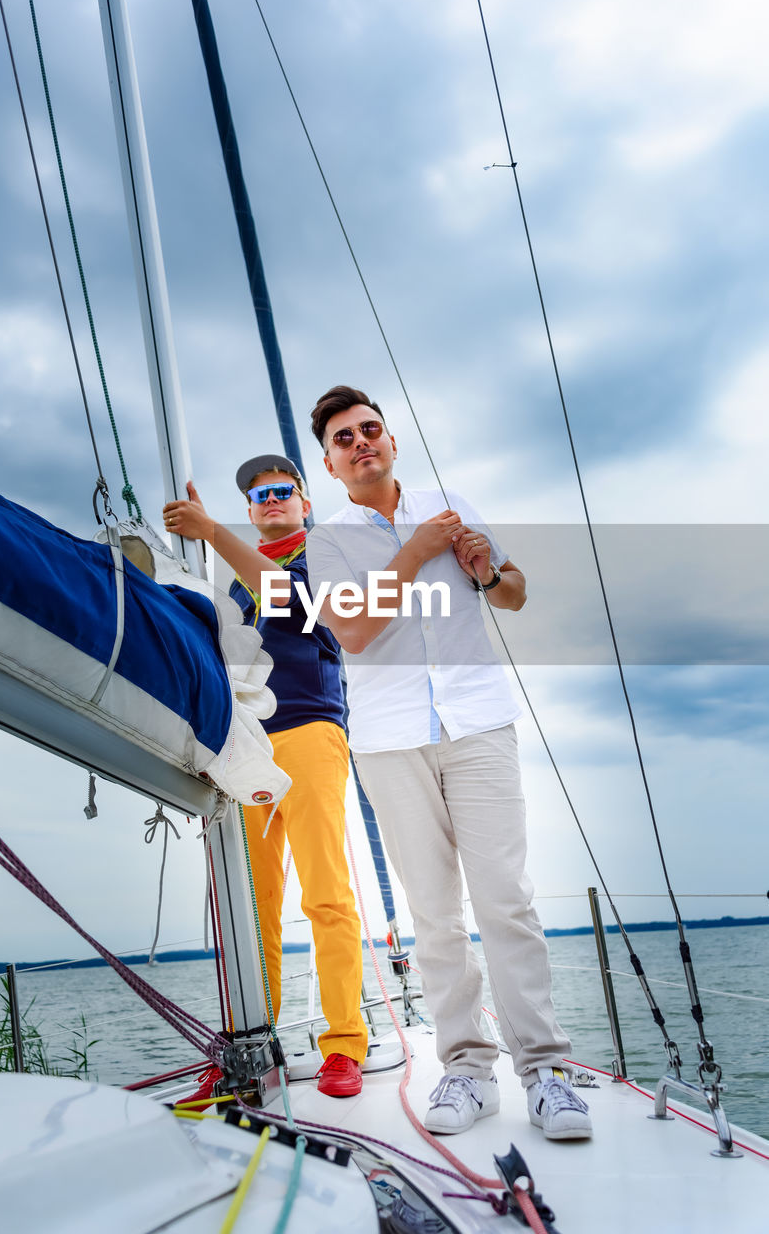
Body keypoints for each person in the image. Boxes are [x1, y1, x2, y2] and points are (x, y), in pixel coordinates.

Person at [304, 386, 592, 1140]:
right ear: (332, 465)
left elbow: (516, 594)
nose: (361, 442)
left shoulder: (448, 502)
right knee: (434, 914)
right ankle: (466, 1070)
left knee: (507, 900)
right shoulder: (326, 540)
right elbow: (355, 632)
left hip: (478, 722)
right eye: (344, 439)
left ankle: (547, 1070)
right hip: (391, 739)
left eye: (371, 429)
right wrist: (419, 551)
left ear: (390, 440)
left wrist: (484, 570)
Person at [163, 455, 368, 1097]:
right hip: (244, 741)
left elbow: (293, 600)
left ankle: (343, 1046)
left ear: (304, 503)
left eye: (283, 492)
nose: (271, 501)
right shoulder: (230, 586)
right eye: (259, 496)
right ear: (251, 511)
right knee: (252, 909)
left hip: (309, 731)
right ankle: (255, 1047)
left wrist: (210, 531)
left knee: (326, 895)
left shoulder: (326, 556)